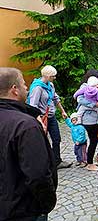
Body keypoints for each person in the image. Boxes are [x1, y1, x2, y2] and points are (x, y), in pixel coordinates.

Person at [0, 67, 57, 220]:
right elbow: (38, 173)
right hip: (23, 209)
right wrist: (47, 204)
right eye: (24, 84)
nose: (27, 88)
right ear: (14, 89)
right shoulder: (25, 125)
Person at [27, 65, 72, 169]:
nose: (55, 78)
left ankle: (57, 161)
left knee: (56, 139)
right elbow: (33, 107)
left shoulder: (50, 85)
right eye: (53, 76)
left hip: (51, 117)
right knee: (43, 141)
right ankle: (43, 163)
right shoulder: (37, 88)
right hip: (41, 118)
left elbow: (55, 98)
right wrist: (41, 122)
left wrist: (63, 111)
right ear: (46, 76)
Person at [74, 69, 98, 171]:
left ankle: (91, 160)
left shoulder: (92, 87)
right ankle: (90, 163)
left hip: (93, 118)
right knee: (94, 140)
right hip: (88, 119)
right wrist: (94, 105)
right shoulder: (84, 87)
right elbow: (80, 100)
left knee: (94, 139)